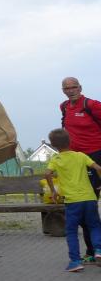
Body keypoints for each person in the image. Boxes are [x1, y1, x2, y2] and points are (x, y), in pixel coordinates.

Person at [45, 128, 101, 272]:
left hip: (72, 202)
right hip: (89, 198)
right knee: (94, 226)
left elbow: (47, 173)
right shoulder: (80, 156)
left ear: (53, 145)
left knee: (71, 231)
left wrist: (53, 191)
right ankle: (99, 250)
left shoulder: (56, 159)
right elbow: (98, 168)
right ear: (70, 141)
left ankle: (75, 261)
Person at [60, 77, 101, 263]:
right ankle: (93, 251)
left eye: (74, 87)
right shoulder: (64, 107)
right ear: (63, 90)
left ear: (80, 87)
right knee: (83, 204)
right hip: (76, 161)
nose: (71, 90)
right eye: (67, 88)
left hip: (95, 157)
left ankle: (95, 249)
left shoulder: (92, 105)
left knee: (89, 204)